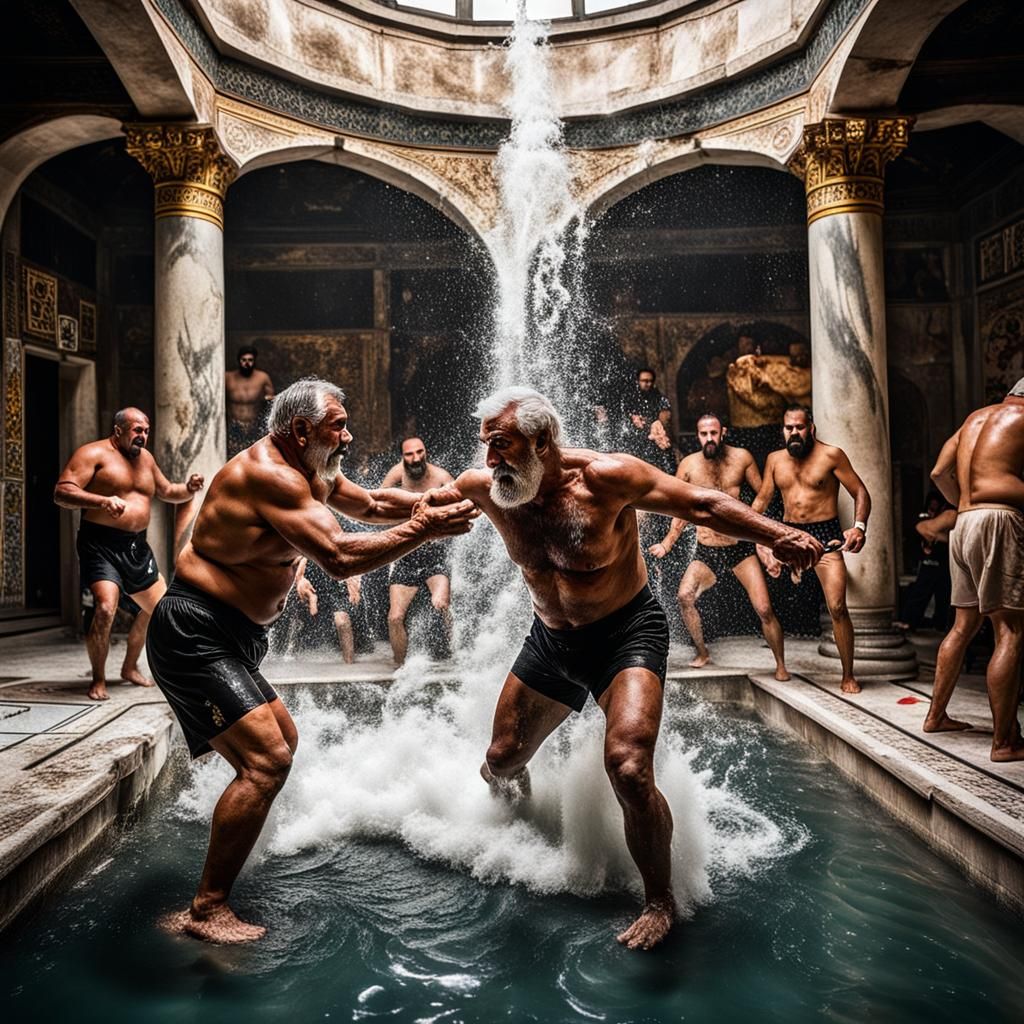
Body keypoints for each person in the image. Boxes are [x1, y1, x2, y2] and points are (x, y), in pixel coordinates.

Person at [451, 387, 823, 951]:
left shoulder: (607, 478)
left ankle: (659, 899)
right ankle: (517, 796)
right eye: (487, 448)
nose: (490, 461)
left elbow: (702, 504)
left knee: (627, 767)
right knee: (500, 761)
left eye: (501, 447)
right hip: (551, 642)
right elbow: (413, 512)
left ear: (543, 441)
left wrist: (778, 534)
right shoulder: (487, 487)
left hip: (626, 633)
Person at [146, 378, 478, 944]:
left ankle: (228, 846)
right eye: (337, 427)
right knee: (267, 760)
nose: (348, 436)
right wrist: (424, 529)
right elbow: (340, 556)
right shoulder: (270, 477)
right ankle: (207, 908)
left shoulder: (310, 467)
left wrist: (432, 502)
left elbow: (372, 503)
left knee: (283, 742)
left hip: (232, 637)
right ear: (301, 430)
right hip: (194, 631)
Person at [53, 407, 204, 701]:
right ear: (118, 429)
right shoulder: (92, 454)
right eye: (137, 430)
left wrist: (187, 487)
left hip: (135, 546)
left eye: (146, 431)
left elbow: (167, 491)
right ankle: (98, 678)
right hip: (100, 545)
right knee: (106, 608)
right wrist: (101, 501)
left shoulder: (146, 460)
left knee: (160, 610)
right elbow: (61, 492)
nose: (143, 437)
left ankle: (130, 667)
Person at [921, 377, 1024, 760]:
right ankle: (1005, 742)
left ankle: (935, 716)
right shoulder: (1020, 418)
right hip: (997, 521)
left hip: (964, 523)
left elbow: (938, 473)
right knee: (1010, 629)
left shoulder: (973, 420)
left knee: (963, 625)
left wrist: (965, 504)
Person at [649, 413, 789, 680]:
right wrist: (667, 544)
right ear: (697, 435)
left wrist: (759, 532)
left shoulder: (742, 458)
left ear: (722, 432)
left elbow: (763, 495)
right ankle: (702, 652)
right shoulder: (689, 465)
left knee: (764, 608)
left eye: (713, 433)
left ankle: (781, 664)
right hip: (707, 548)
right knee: (684, 596)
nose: (709, 439)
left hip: (739, 548)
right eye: (704, 434)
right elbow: (680, 510)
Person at [752, 404, 870, 694]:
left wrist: (859, 527)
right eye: (789, 428)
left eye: (799, 427)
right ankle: (780, 664)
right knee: (766, 605)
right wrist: (758, 541)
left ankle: (848, 674)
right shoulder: (775, 460)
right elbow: (762, 502)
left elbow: (860, 492)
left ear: (811, 428)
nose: (794, 432)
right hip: (789, 537)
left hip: (825, 536)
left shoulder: (831, 455)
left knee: (838, 607)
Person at [379, 438, 456, 665]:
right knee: (394, 617)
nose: (415, 458)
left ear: (426, 453)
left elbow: (460, 506)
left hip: (434, 554)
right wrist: (401, 528)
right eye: (409, 455)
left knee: (441, 604)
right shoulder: (396, 475)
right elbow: (376, 506)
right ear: (402, 457)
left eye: (419, 452)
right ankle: (399, 666)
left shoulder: (441, 477)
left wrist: (439, 526)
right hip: (406, 555)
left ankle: (458, 654)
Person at [894, 490, 956, 632]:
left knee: (945, 594)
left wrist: (938, 537)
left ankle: (941, 623)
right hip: (929, 559)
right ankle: (910, 621)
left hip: (945, 559)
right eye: (931, 508)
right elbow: (920, 529)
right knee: (921, 590)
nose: (932, 511)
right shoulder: (925, 518)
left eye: (936, 508)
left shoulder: (949, 515)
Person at [293, 556, 363, 663]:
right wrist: (299, 577)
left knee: (342, 620)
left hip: (337, 571)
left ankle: (349, 664)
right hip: (314, 569)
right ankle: (312, 597)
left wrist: (353, 575)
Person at [225, 345, 274, 456]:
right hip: (234, 427)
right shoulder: (228, 378)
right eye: (244, 360)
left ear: (254, 361)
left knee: (255, 457)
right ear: (239, 361)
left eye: (250, 360)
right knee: (234, 458)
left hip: (254, 426)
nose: (247, 363)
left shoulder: (262, 378)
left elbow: (271, 402)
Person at [626, 368, 675, 473]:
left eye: (650, 381)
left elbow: (665, 419)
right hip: (635, 445)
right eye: (644, 381)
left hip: (656, 444)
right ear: (638, 381)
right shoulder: (630, 400)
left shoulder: (660, 399)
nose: (647, 384)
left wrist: (652, 423)